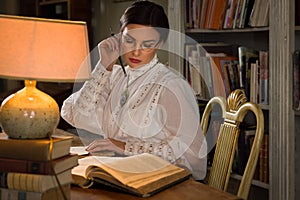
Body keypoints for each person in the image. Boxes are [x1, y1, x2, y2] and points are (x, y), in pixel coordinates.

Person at [61, 0, 207, 180]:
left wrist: (124, 146)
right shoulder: (114, 75)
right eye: (129, 40)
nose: (136, 52)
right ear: (119, 36)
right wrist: (104, 65)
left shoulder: (171, 85)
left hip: (159, 181)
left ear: (160, 43)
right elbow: (74, 115)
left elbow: (193, 159)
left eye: (147, 44)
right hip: (117, 173)